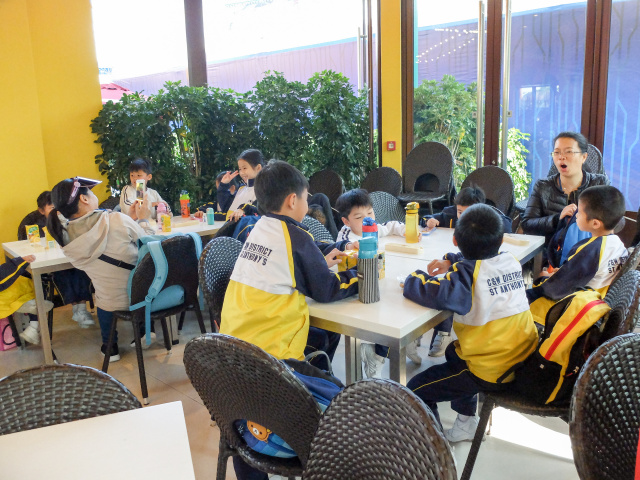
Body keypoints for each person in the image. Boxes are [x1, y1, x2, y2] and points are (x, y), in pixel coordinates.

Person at [219, 160, 358, 480]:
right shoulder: (294, 236)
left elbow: (304, 250)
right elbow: (327, 289)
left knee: (321, 339)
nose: (308, 204)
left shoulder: (259, 228)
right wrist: (360, 277)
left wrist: (335, 249)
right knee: (345, 403)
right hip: (272, 363)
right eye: (307, 198)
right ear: (293, 200)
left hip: (232, 359)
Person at [404, 204, 538, 442]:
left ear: (455, 240)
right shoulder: (511, 261)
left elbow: (429, 292)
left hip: (492, 371)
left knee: (415, 389)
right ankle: (466, 423)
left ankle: (436, 448)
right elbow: (480, 264)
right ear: (501, 240)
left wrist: (413, 276)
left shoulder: (465, 279)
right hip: (524, 358)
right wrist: (453, 261)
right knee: (454, 353)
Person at [47, 176, 156, 362]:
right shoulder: (116, 219)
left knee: (104, 296)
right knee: (141, 278)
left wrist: (129, 218)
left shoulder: (64, 236)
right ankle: (145, 330)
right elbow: (150, 245)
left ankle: (110, 347)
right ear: (84, 198)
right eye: (90, 192)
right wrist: (143, 219)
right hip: (142, 295)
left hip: (111, 301)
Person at [335, 188, 421, 375]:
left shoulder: (372, 228)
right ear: (346, 221)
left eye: (370, 213)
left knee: (404, 300)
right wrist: (354, 248)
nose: (368, 219)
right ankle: (378, 355)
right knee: (386, 312)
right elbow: (343, 255)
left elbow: (390, 225)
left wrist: (408, 231)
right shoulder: (346, 237)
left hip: (380, 280)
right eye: (359, 217)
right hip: (359, 288)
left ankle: (408, 342)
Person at [421, 186, 513, 357]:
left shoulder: (488, 222)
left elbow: (507, 224)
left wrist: (414, 279)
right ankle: (439, 333)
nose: (464, 217)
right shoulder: (450, 214)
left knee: (451, 287)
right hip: (457, 257)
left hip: (487, 352)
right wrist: (429, 221)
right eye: (460, 212)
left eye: (469, 212)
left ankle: (443, 333)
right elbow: (428, 217)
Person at [527, 186, 628, 313]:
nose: (576, 216)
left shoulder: (591, 250)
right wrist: (564, 271)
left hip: (580, 307)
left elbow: (559, 287)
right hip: (602, 302)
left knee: (532, 294)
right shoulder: (618, 244)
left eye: (579, 213)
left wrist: (536, 288)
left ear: (595, 223)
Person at [18, 190, 95, 328]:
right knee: (63, 274)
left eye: (58, 206)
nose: (57, 211)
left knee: (81, 270)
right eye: (52, 208)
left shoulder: (67, 219)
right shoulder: (36, 226)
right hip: (51, 264)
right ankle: (76, 307)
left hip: (70, 258)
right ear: (41, 211)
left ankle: (81, 308)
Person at [521, 131, 608, 244]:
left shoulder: (599, 183)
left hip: (589, 250)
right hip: (552, 251)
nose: (561, 157)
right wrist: (557, 219)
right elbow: (527, 224)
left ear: (583, 157)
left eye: (569, 152)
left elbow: (617, 222)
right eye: (557, 152)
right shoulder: (542, 186)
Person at [0, 255, 53, 345]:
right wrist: (21, 261)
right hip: (7, 297)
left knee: (29, 277)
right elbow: (3, 276)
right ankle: (29, 309)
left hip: (5, 302)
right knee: (37, 282)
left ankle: (32, 324)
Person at [217, 149, 265, 221]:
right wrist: (223, 185)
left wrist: (244, 209)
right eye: (240, 169)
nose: (242, 173)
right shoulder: (241, 189)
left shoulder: (265, 190)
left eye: (244, 168)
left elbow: (258, 210)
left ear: (258, 168)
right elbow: (226, 208)